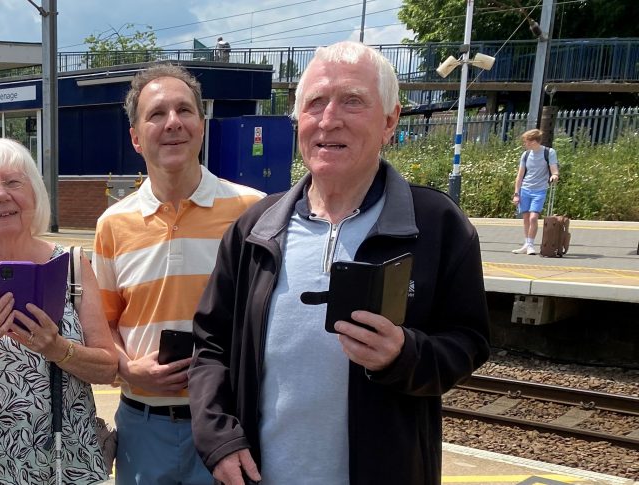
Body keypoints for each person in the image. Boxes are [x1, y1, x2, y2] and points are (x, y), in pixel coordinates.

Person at [189, 41, 490, 485]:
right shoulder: (256, 227)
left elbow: (469, 341)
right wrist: (219, 440)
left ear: (390, 120)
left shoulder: (436, 224)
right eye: (315, 103)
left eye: (352, 101)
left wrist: (405, 355)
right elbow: (210, 345)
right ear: (298, 122)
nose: (329, 119)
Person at [92, 64, 264, 485]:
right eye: (156, 114)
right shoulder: (113, 225)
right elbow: (103, 326)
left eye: (184, 110)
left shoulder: (254, 211)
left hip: (229, 425)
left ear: (201, 126)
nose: (173, 123)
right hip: (143, 428)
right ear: (136, 137)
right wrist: (128, 369)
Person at [0, 138, 116, 484]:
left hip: (61, 465)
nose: (1, 195)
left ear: (35, 194)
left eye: (13, 182)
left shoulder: (72, 265)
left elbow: (107, 368)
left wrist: (56, 349)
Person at [511, 129, 560, 255]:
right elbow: (520, 176)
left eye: (526, 141)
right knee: (526, 217)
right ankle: (527, 244)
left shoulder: (549, 152)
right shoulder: (526, 155)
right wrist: (517, 193)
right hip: (525, 189)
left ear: (533, 141)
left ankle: (531, 244)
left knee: (533, 217)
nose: (524, 144)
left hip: (540, 190)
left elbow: (554, 169)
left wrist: (554, 175)